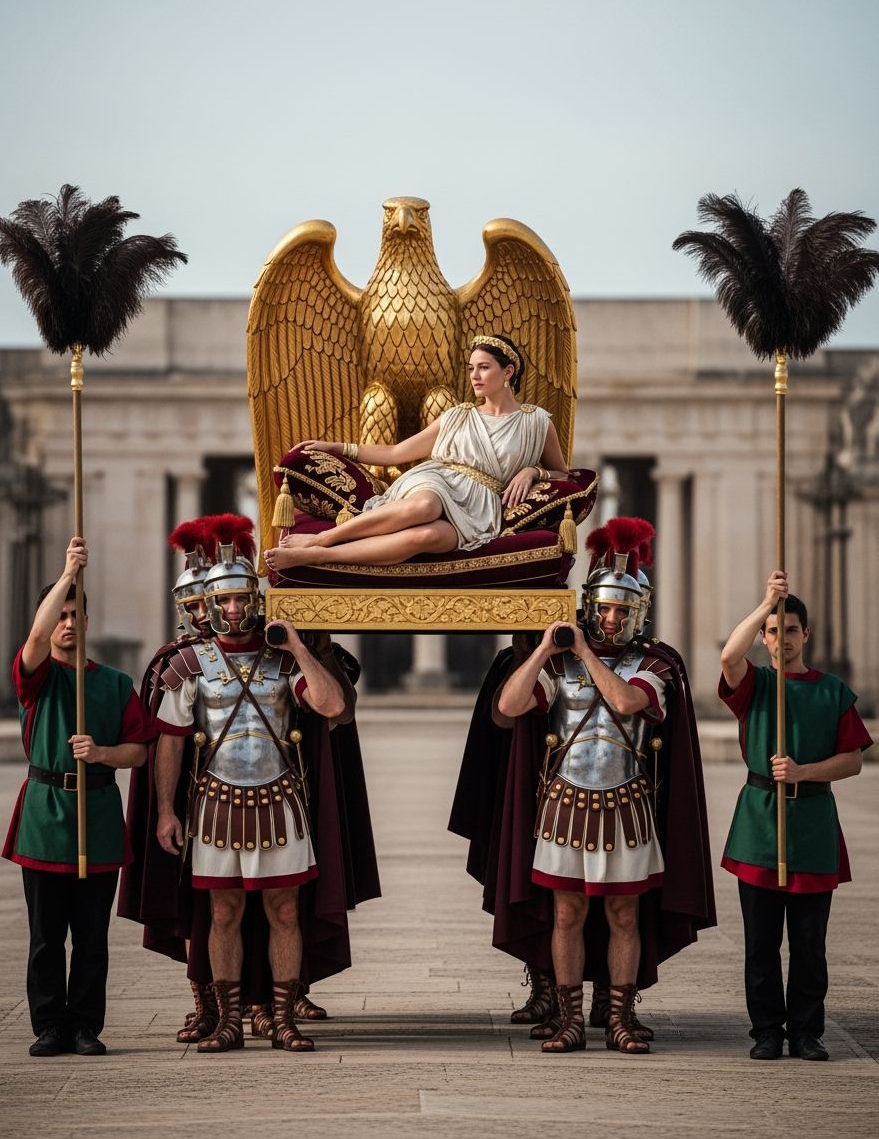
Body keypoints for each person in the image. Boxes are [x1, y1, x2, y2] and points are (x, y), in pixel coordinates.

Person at [491, 518, 715, 1054]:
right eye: (605, 609)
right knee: (567, 913)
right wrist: (543, 651)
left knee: (623, 914)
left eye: (622, 610)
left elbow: (627, 702)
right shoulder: (559, 664)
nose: (612, 620)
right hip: (564, 804)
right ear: (589, 606)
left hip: (627, 807)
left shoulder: (654, 663)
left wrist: (586, 653)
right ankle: (569, 1019)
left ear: (638, 612)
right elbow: (508, 707)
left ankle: (618, 1018)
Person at [151, 515, 352, 1052]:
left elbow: (333, 705)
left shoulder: (282, 661)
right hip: (214, 803)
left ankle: (283, 1018)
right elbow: (170, 741)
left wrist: (297, 646)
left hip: (279, 800)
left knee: (284, 911)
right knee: (224, 913)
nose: (235, 609)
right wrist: (166, 810)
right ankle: (229, 1020)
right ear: (210, 603)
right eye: (226, 600)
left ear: (256, 601)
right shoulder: (188, 664)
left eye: (243, 598)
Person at [2, 536, 153, 1057]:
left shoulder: (115, 683)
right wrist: (69, 572)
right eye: (60, 614)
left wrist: (103, 753)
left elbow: (139, 751)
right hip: (46, 815)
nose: (67, 623)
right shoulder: (37, 677)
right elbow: (35, 634)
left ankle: (87, 1025)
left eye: (75, 614)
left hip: (98, 814)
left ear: (87, 621)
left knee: (91, 935)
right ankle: (49, 1025)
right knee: (46, 936)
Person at [719, 571, 872, 1062]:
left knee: (809, 944)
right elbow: (728, 657)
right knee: (761, 943)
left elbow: (853, 760)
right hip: (759, 821)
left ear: (805, 634)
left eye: (790, 630)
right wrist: (767, 602)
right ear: (763, 636)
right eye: (773, 630)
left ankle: (806, 1031)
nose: (781, 638)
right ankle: (767, 1030)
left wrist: (804, 770)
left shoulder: (832, 691)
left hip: (811, 823)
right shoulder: (756, 684)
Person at [264, 335, 568, 572]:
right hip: (438, 482)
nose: (474, 375)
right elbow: (396, 452)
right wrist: (337, 447)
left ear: (508, 371)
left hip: (479, 509)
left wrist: (533, 471)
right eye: (471, 368)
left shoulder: (537, 422)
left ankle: (317, 556)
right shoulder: (458, 416)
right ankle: (323, 540)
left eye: (484, 367)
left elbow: (563, 474)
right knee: (426, 505)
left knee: (425, 537)